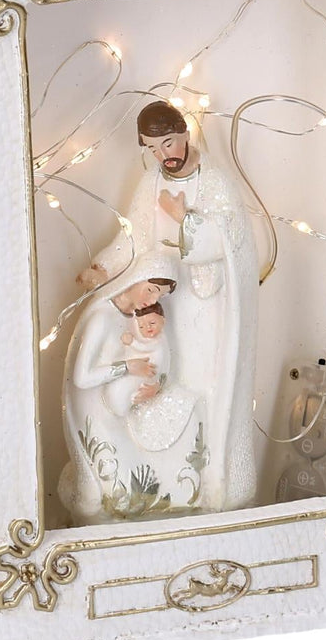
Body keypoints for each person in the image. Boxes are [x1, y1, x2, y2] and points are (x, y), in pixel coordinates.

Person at [76, 100, 258, 512]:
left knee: (203, 382)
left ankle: (207, 481)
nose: (163, 155)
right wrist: (102, 267)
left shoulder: (215, 180)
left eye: (169, 143)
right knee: (162, 378)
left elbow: (229, 236)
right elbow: (134, 238)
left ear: (185, 133)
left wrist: (185, 219)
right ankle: (164, 481)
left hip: (204, 305)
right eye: (152, 148)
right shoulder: (150, 182)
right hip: (163, 304)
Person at [59, 253, 207, 522]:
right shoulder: (103, 317)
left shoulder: (140, 318)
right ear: (136, 278)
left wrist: (156, 387)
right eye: (151, 289)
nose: (153, 299)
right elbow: (81, 378)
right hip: (97, 412)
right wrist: (127, 368)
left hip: (126, 408)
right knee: (119, 494)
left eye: (160, 295)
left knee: (146, 485)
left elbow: (158, 361)